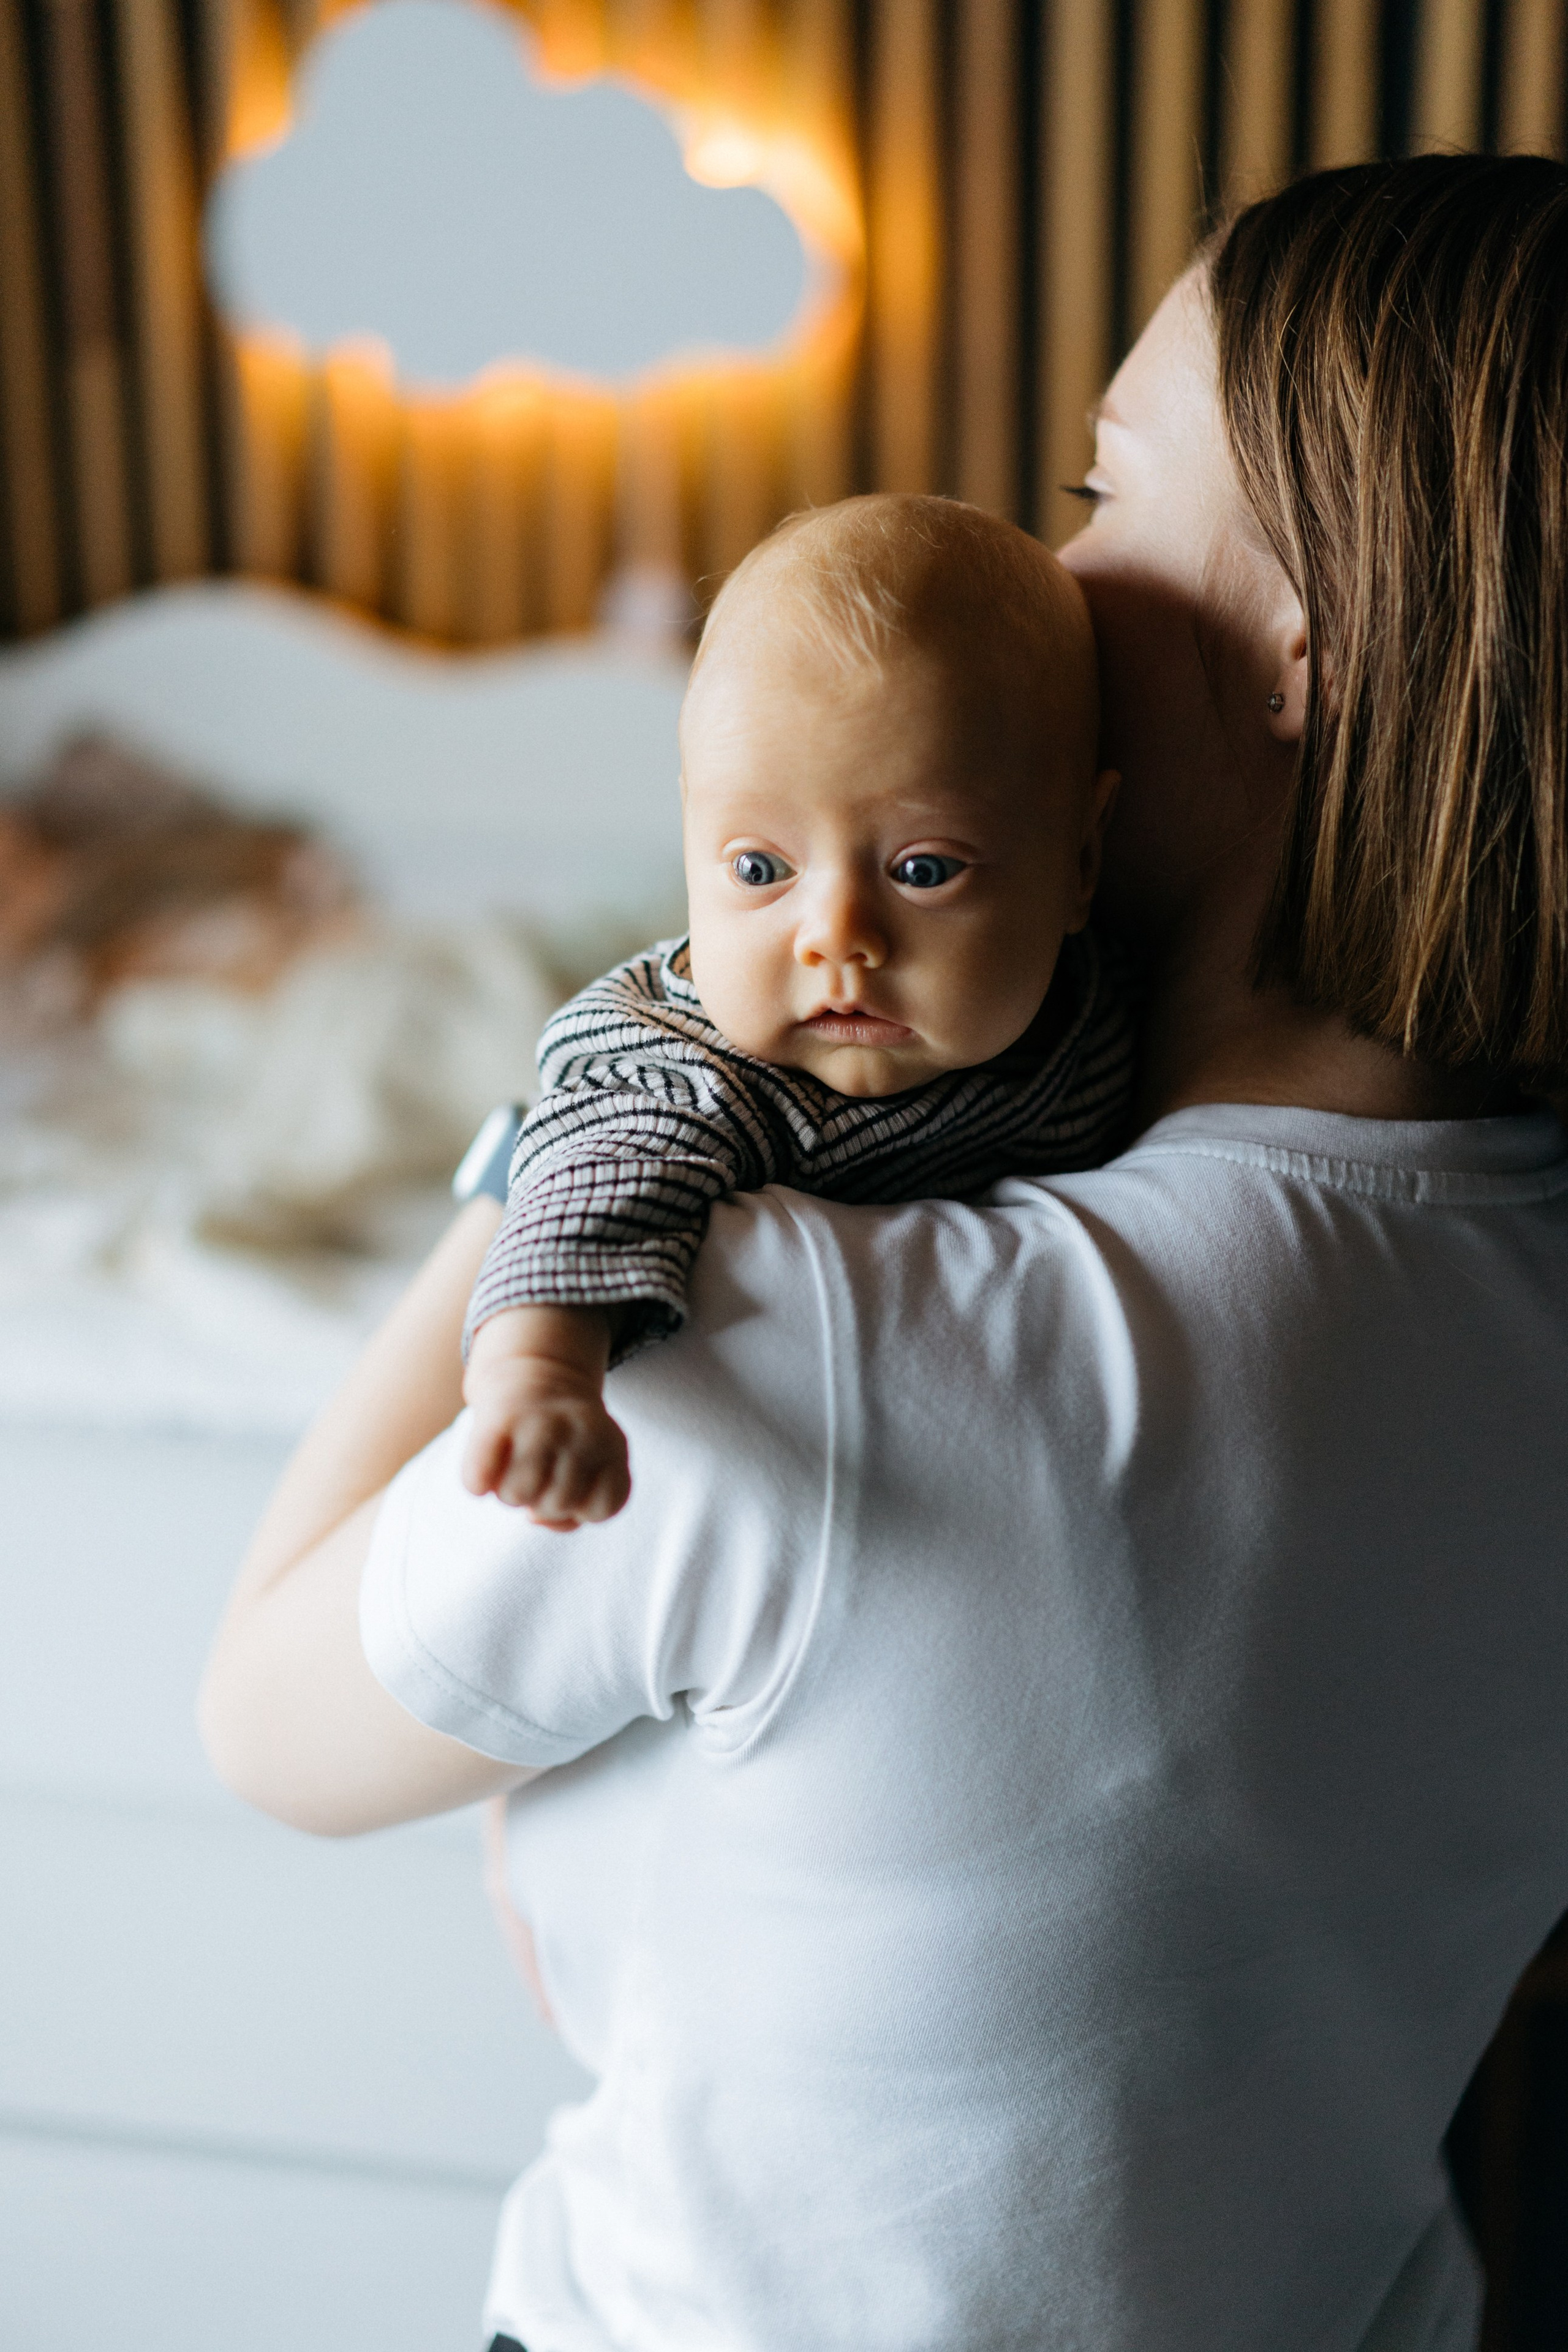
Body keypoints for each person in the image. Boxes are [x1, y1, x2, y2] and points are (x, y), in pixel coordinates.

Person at [200, 154, 1568, 2352]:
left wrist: (612, 1089)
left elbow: (271, 1717)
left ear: (1305, 649)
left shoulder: (814, 1337)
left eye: (1103, 497)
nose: (1049, 564)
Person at [461, 496, 1129, 1529]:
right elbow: (593, 1187)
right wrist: (541, 1379)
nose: (836, 936)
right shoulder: (686, 1070)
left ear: (1081, 863)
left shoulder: (1095, 997)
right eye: (760, 869)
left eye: (922, 869)